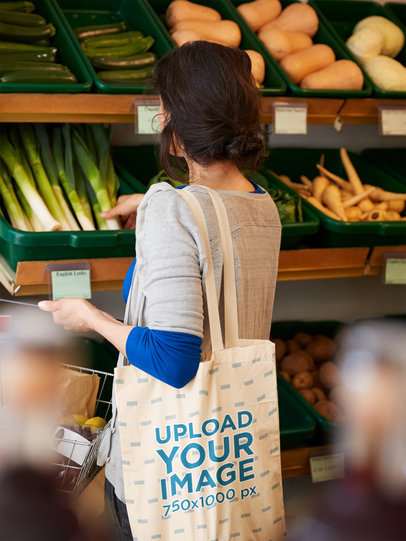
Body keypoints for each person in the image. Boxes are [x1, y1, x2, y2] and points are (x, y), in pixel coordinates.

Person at [39, 41, 281, 540]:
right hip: (227, 453)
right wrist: (151, 238)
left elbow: (174, 359)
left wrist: (90, 318)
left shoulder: (170, 209)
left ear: (174, 122)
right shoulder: (263, 206)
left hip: (165, 460)